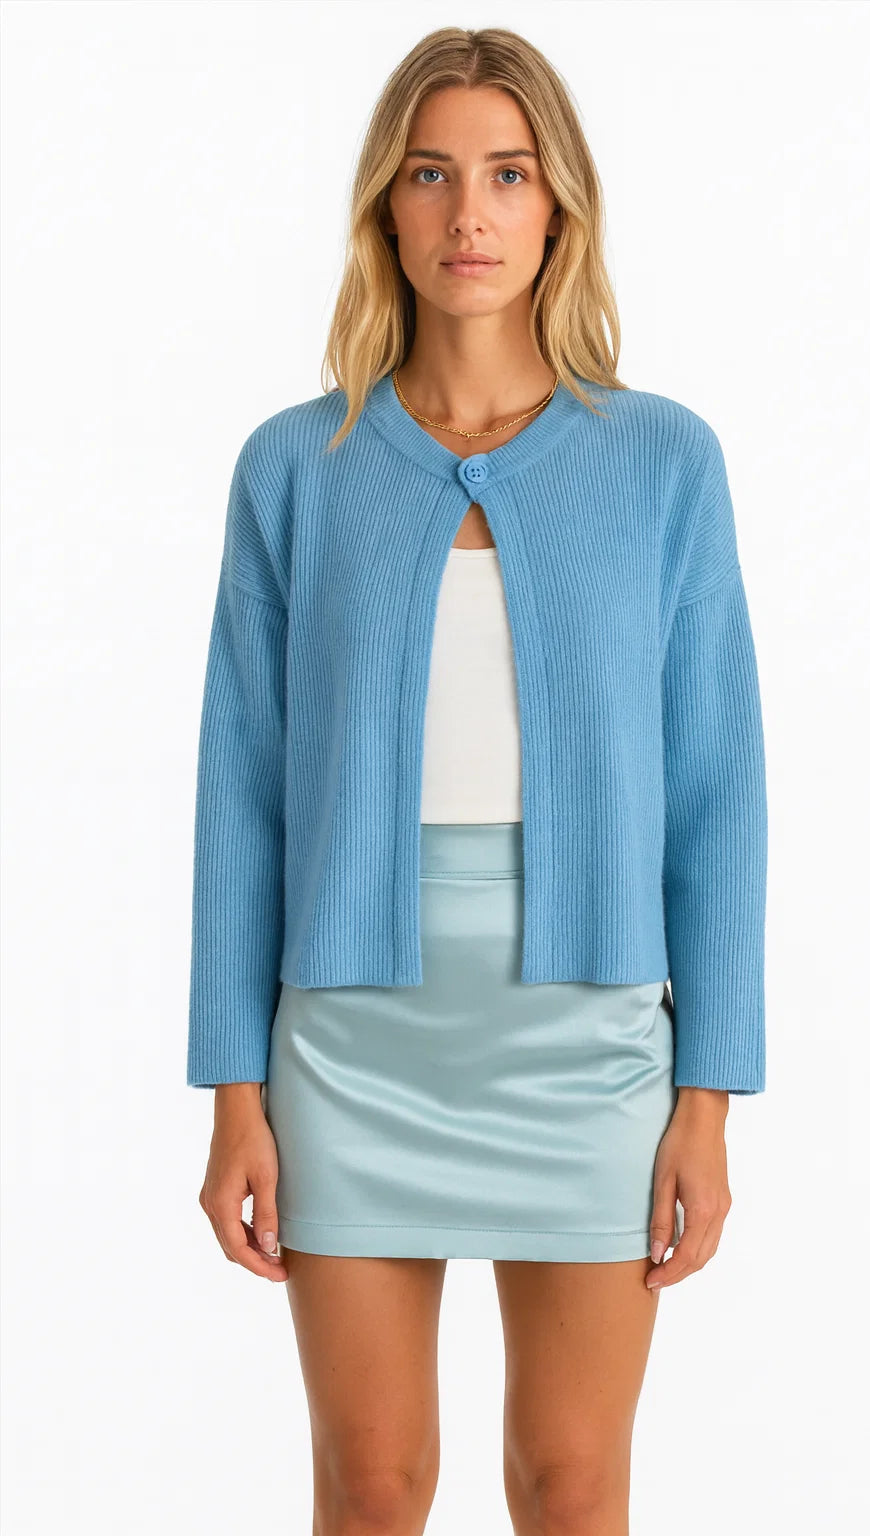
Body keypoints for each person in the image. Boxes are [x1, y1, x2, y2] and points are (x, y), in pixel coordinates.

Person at [188, 25, 768, 1534]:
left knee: (570, 1488)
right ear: (384, 205)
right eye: (432, 174)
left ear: (558, 205)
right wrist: (233, 1090)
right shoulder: (294, 468)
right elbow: (240, 795)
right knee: (372, 1488)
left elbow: (717, 793)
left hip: (590, 1041)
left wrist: (708, 1102)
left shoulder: (662, 462)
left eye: (509, 175)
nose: (470, 215)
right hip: (349, 1045)